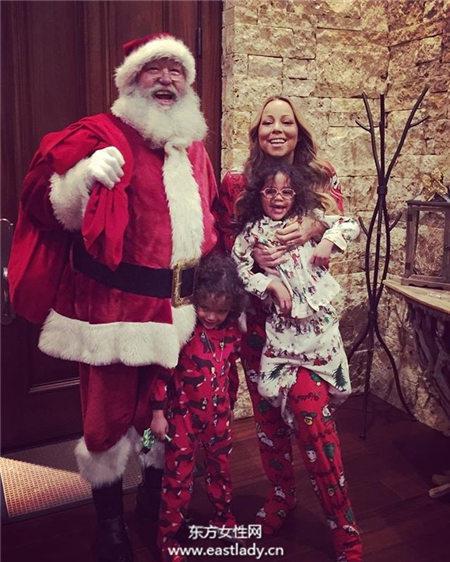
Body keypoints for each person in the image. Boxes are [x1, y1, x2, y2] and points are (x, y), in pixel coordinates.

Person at [8, 33, 218, 562]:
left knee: (161, 416)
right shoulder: (100, 133)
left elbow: (209, 218)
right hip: (113, 315)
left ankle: (152, 501)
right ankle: (110, 525)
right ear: (131, 79)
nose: (166, 79)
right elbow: (41, 203)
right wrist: (81, 178)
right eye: (154, 69)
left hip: (177, 314)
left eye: (176, 70)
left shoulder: (193, 144)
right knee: (106, 422)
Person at [215, 96, 363, 561]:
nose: (277, 129)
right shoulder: (235, 182)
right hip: (257, 327)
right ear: (256, 131)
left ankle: (344, 527)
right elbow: (225, 243)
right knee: (267, 423)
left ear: (299, 130)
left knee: (313, 423)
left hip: (304, 328)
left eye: (287, 121)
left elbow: (341, 227)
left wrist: (315, 229)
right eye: (267, 121)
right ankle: (281, 496)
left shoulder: (322, 176)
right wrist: (254, 261)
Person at [149, 253, 246, 562]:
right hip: (182, 418)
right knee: (178, 479)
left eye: (221, 310)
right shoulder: (185, 332)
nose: (212, 316)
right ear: (195, 300)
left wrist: (230, 403)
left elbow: (231, 372)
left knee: (221, 470)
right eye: (205, 307)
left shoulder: (232, 334)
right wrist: (158, 413)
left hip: (219, 417)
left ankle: (223, 520)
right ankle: (168, 538)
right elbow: (163, 373)